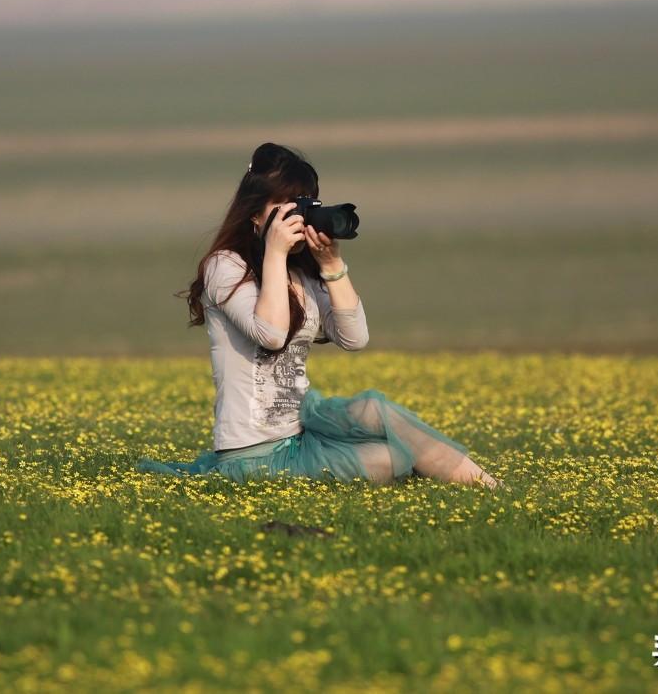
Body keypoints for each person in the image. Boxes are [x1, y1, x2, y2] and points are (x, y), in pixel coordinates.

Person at [136, 142, 503, 489]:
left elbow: (355, 338)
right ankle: (466, 481)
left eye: (303, 205)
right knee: (390, 458)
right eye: (284, 207)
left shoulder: (303, 275)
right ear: (254, 213)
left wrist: (331, 264)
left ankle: (491, 487)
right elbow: (271, 333)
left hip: (304, 429)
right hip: (253, 454)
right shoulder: (226, 267)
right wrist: (276, 254)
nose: (296, 217)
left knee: (375, 408)